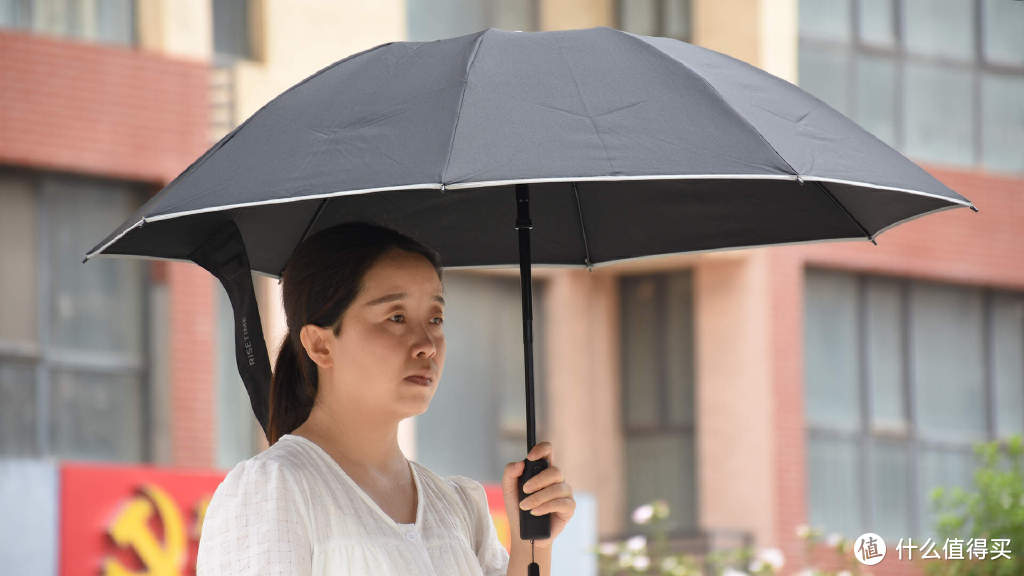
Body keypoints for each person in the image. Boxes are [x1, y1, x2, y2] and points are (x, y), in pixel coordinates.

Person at [196, 221, 575, 575]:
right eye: (396, 317)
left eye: (436, 319)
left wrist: (534, 544)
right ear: (320, 344)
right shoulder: (275, 490)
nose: (427, 345)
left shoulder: (459, 507)